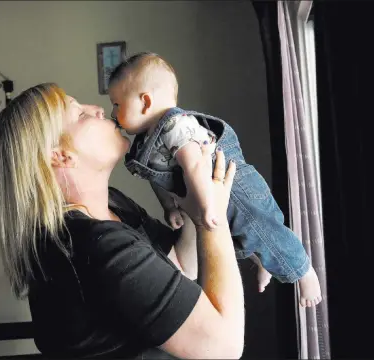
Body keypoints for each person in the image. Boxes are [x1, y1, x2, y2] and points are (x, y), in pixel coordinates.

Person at [0, 83, 244, 359]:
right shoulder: (92, 245)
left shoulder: (113, 204)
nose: (98, 109)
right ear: (61, 156)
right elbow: (223, 347)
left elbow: (181, 264)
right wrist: (211, 218)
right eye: (81, 114)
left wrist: (196, 201)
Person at [108, 52, 322, 307]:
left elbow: (195, 164)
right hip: (206, 191)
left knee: (258, 226)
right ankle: (264, 261)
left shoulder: (175, 126)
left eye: (117, 104)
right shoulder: (146, 141)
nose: (113, 112)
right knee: (233, 237)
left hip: (232, 189)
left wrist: (207, 205)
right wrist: (169, 206)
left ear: (145, 102)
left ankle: (302, 270)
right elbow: (159, 178)